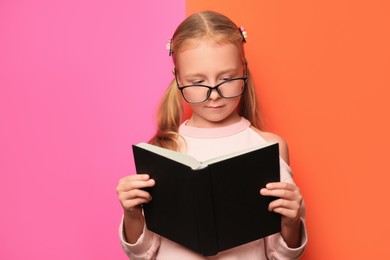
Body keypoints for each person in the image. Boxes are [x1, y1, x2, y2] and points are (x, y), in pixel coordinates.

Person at [116, 10, 307, 259]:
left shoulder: (268, 146)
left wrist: (292, 221)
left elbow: (280, 254)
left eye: (227, 78)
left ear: (244, 72)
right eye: (197, 82)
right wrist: (132, 214)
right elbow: (142, 252)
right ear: (178, 78)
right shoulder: (163, 150)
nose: (214, 93)